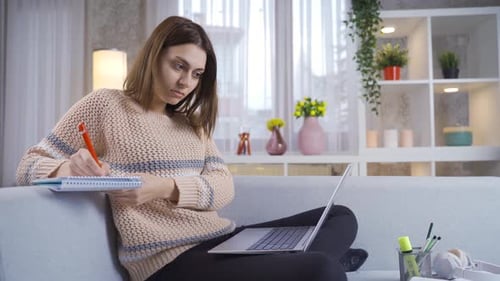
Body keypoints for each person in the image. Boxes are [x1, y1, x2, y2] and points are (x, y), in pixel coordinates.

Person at [16, 16, 365, 281]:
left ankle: (298, 261)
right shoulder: (106, 105)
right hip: (169, 261)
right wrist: (67, 169)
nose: (186, 82)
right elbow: (29, 164)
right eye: (178, 66)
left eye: (197, 74)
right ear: (154, 56)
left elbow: (223, 186)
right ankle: (322, 261)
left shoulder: (191, 122)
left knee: (341, 216)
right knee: (322, 269)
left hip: (219, 240)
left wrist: (167, 188)